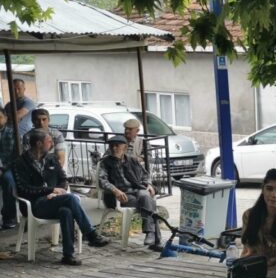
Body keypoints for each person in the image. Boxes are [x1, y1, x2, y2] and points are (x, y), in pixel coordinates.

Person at [12, 129, 110, 265]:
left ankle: (68, 255)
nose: (52, 144)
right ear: (39, 144)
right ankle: (91, 234)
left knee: (66, 211)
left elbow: (63, 179)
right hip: (34, 204)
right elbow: (24, 189)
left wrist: (56, 192)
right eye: (49, 141)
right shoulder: (20, 162)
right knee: (71, 198)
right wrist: (49, 190)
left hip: (53, 200)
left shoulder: (51, 158)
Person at [97, 135, 160, 249]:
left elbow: (145, 175)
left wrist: (149, 184)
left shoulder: (132, 160)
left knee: (146, 196)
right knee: (150, 204)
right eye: (111, 146)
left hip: (136, 190)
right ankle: (155, 240)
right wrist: (115, 190)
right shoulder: (105, 162)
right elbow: (102, 181)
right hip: (118, 196)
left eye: (117, 146)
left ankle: (150, 233)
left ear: (125, 147)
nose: (114, 148)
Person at [0, 111, 18, 228]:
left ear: (6, 118)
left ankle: (9, 217)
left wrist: (2, 168)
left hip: (8, 167)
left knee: (9, 181)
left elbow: (16, 157)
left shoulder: (12, 133)